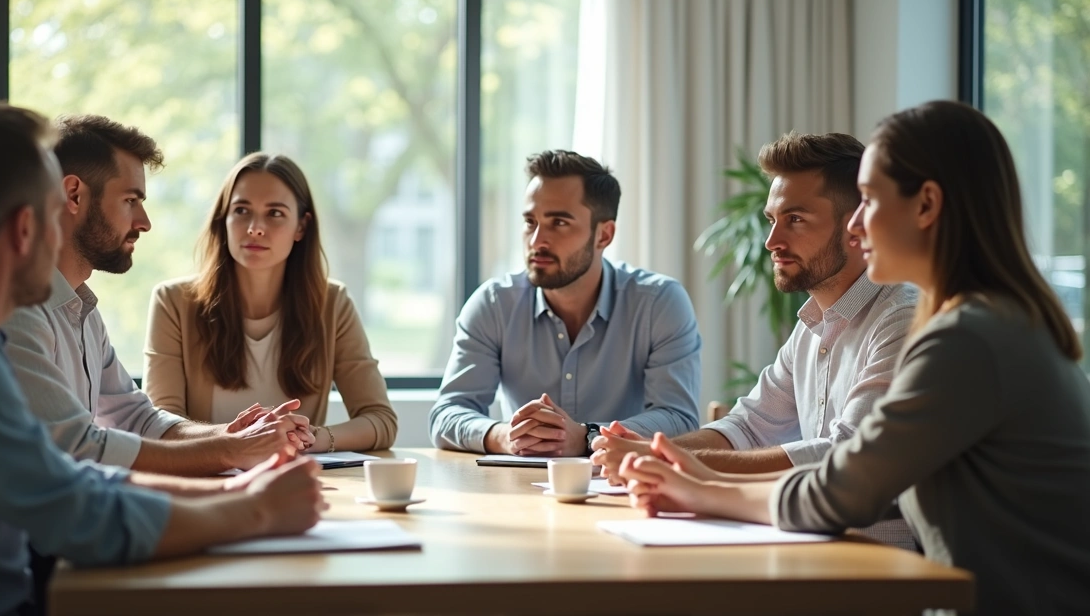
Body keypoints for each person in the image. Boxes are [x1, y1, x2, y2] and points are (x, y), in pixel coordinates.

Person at [618, 101, 1090, 615]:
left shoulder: (967, 338)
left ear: (926, 205)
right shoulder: (987, 321)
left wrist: (698, 487)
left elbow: (846, 487)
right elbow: (865, 479)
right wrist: (691, 476)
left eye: (867, 200)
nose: (857, 226)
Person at [0, 104, 325, 616]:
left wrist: (237, 489)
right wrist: (256, 510)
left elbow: (70, 479)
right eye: (52, 218)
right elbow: (75, 513)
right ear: (27, 228)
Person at [590, 132, 916, 548]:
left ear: (856, 224)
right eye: (772, 219)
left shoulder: (901, 318)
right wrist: (658, 453)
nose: (772, 242)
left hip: (884, 572)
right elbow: (749, 426)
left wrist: (682, 465)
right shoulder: (811, 325)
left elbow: (843, 454)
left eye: (795, 220)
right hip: (817, 553)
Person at [2, 114, 308, 477]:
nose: (144, 221)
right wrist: (231, 451)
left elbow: (137, 418)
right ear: (74, 195)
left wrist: (232, 434)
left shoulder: (82, 314)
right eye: (131, 200)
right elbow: (76, 447)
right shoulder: (17, 311)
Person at [429, 150, 702, 456]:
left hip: (622, 486)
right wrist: (503, 435)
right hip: (519, 489)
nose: (536, 242)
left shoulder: (659, 304)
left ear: (604, 235)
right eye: (531, 222)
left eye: (558, 222)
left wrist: (587, 437)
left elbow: (679, 418)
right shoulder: (494, 304)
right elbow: (446, 414)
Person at [143, 153, 398, 452]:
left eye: (274, 213)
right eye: (241, 210)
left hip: (296, 481)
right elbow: (161, 425)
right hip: (207, 485)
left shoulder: (333, 304)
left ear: (301, 227)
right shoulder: (172, 303)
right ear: (223, 219)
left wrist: (311, 437)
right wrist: (242, 439)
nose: (255, 227)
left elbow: (380, 421)